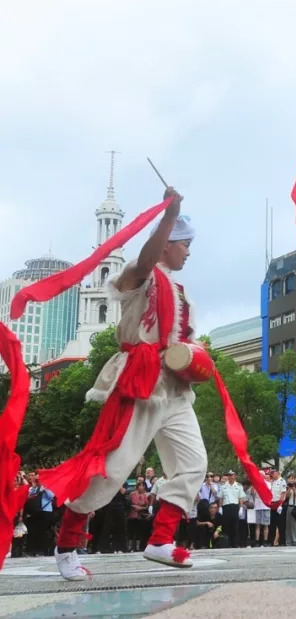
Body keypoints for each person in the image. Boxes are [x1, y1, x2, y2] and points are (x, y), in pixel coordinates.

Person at [46, 191, 212, 579]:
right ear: (167, 243)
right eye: (184, 244)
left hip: (175, 390)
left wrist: (193, 357)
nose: (189, 252)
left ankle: (161, 540)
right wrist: (169, 216)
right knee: (112, 469)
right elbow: (147, 259)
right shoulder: (141, 276)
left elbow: (180, 341)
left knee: (194, 464)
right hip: (140, 383)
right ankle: (66, 544)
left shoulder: (181, 292)